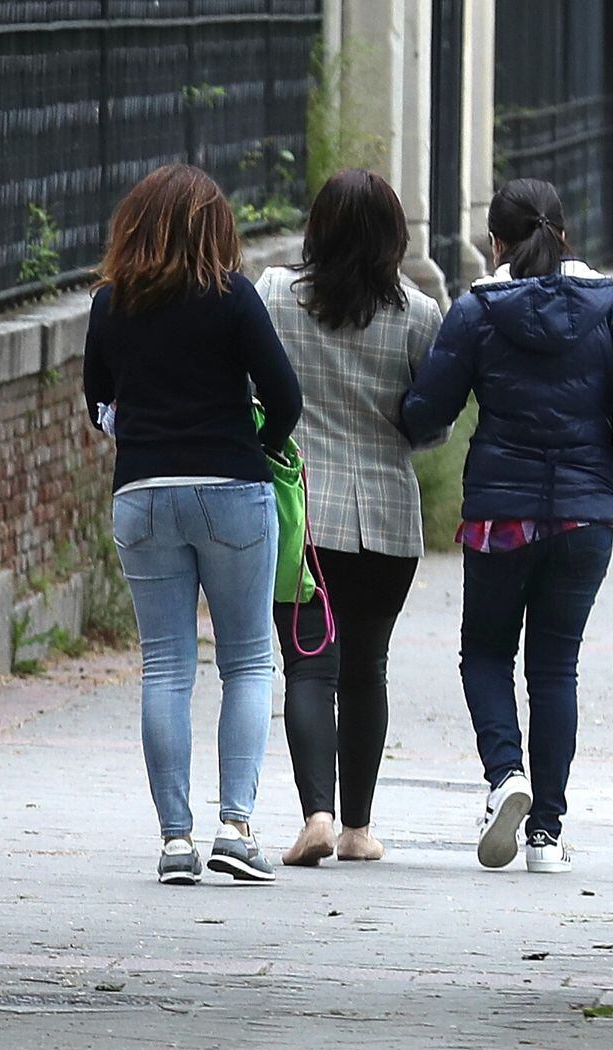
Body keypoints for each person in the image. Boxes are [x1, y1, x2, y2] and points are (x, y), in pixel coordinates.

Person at [401, 178, 613, 874]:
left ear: (496, 242)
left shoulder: (478, 310)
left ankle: (504, 777)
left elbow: (431, 407)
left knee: (486, 652)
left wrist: (407, 428)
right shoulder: (612, 309)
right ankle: (546, 834)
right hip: (584, 519)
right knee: (556, 667)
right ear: (563, 232)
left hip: (501, 515)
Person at [83, 163, 302, 885]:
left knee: (167, 666)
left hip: (143, 492)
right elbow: (284, 394)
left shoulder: (111, 304)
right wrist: (261, 445)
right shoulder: (232, 297)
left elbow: (99, 403)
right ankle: (234, 827)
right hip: (233, 487)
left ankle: (175, 840)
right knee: (245, 662)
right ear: (214, 227)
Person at [253, 169, 444, 867]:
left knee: (309, 668)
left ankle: (317, 815)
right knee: (368, 668)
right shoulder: (421, 316)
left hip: (305, 517)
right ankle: (361, 828)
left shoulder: (276, 297)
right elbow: (431, 423)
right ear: (394, 237)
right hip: (389, 523)